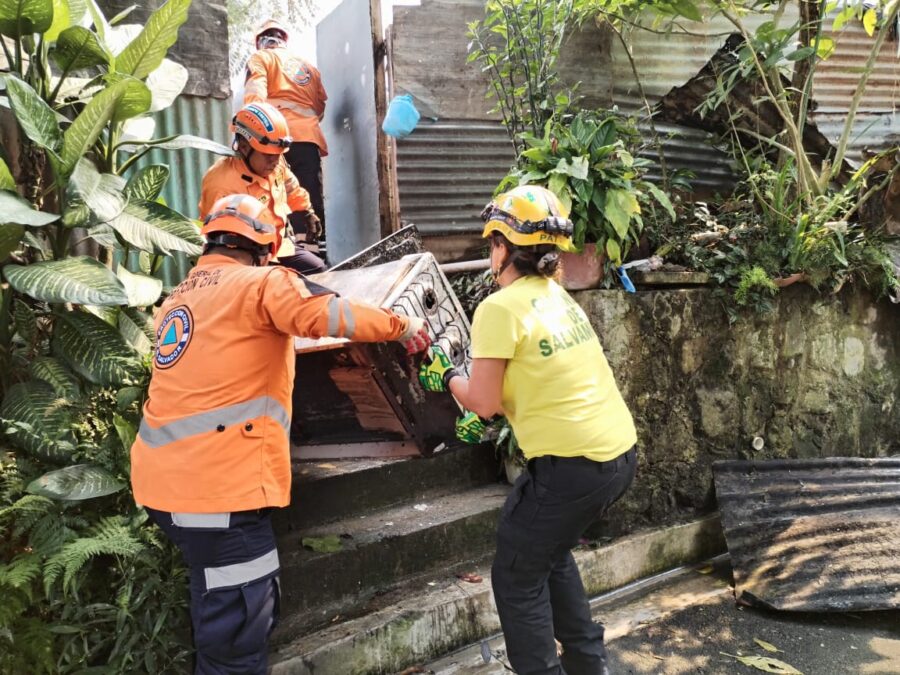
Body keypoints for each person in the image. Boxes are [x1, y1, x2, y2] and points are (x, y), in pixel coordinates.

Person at [130, 194, 430, 674]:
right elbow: (334, 315)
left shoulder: (178, 298)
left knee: (216, 602)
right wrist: (404, 324)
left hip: (162, 486)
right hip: (218, 495)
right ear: (266, 247)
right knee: (239, 637)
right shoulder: (263, 283)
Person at [418, 185, 638, 675]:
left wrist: (446, 376)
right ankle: (589, 665)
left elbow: (484, 401)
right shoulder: (556, 296)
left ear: (502, 247)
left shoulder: (499, 308)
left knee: (517, 575)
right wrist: (483, 405)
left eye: (492, 243)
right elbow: (532, 382)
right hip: (617, 456)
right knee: (548, 553)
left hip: (572, 467)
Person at [199, 102, 326, 275]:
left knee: (318, 270)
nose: (275, 161)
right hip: (244, 259)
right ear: (244, 147)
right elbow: (221, 248)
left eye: (278, 155)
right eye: (268, 155)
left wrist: (307, 212)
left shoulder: (275, 163)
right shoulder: (221, 185)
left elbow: (291, 187)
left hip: (278, 247)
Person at [244, 19, 328, 245]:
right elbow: (320, 106)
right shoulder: (308, 68)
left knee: (273, 192)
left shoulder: (261, 58)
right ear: (283, 40)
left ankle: (280, 248)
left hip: (275, 138)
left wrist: (250, 130)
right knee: (309, 194)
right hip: (308, 138)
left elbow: (255, 95)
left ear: (261, 41)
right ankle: (314, 249)